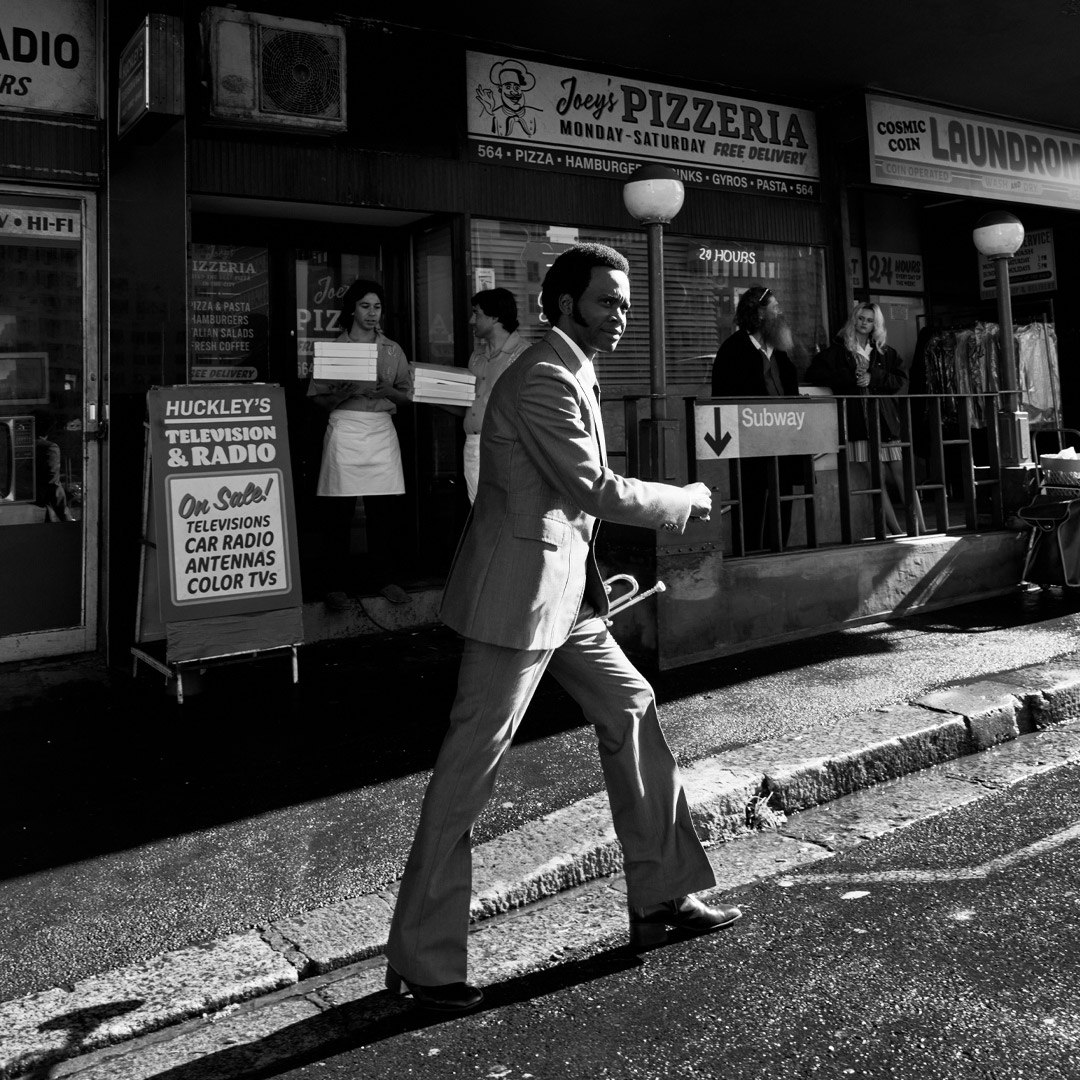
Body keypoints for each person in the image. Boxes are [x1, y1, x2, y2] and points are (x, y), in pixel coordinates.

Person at [384, 243, 741, 1014]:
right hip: (515, 601)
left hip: (562, 596)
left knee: (632, 705)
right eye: (608, 301)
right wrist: (681, 499)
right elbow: (592, 486)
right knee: (467, 773)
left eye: (624, 302)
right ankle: (423, 960)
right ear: (565, 302)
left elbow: (564, 500)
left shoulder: (569, 362)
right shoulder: (546, 371)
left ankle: (661, 896)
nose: (621, 314)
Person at [308, 280, 413, 609]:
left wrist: (388, 393)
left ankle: (385, 579)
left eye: (377, 307)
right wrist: (343, 392)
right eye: (365, 306)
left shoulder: (393, 350)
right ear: (352, 308)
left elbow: (407, 395)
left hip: (381, 429)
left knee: (384, 511)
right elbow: (318, 399)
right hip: (345, 428)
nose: (372, 313)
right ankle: (334, 585)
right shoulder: (334, 349)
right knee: (337, 511)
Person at [807, 301, 925, 535]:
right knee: (877, 479)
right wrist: (850, 377)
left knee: (903, 474)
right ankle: (897, 532)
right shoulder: (838, 351)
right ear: (853, 319)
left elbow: (901, 381)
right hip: (858, 424)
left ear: (876, 324)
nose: (864, 323)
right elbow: (815, 374)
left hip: (886, 424)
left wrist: (875, 377)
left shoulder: (884, 351)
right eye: (861, 318)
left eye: (870, 320)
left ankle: (920, 529)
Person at [710, 285, 801, 551]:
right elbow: (722, 397)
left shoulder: (781, 351)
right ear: (758, 313)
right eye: (774, 307)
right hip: (750, 440)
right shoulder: (733, 350)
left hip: (784, 439)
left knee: (783, 496)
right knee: (752, 498)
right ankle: (750, 554)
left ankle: (778, 551)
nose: (779, 312)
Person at [461, 288, 529, 502]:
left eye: (477, 313)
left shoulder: (523, 355)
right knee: (479, 512)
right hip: (473, 446)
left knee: (504, 512)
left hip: (505, 447)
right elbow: (469, 402)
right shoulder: (476, 355)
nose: (472, 319)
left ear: (495, 317)